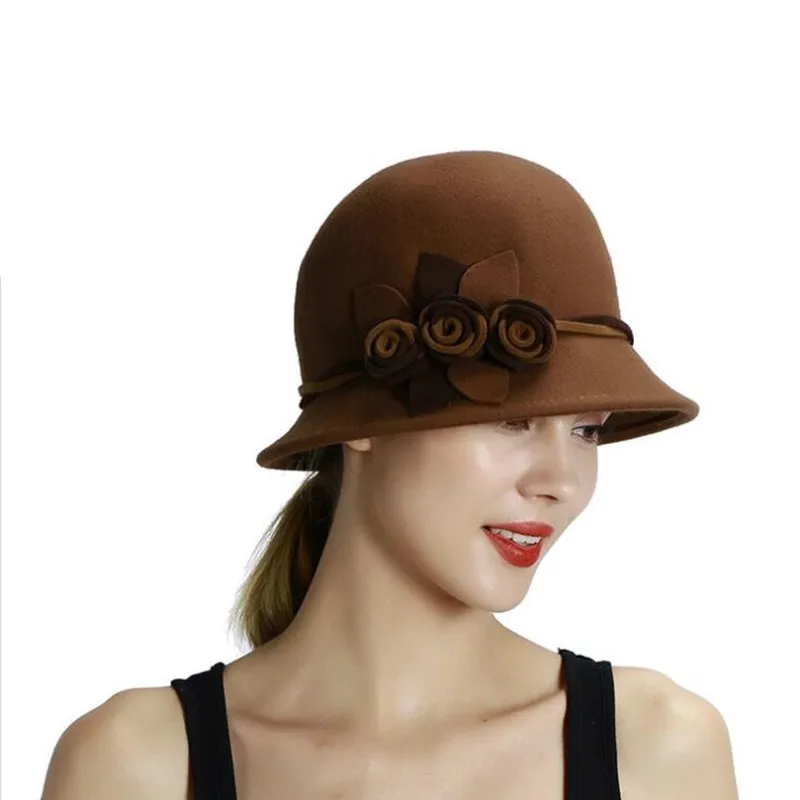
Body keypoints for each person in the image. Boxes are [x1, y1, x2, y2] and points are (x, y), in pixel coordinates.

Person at [40, 151, 739, 799]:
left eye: (587, 430)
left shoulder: (657, 750)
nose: (562, 480)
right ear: (362, 423)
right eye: (513, 420)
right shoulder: (135, 765)